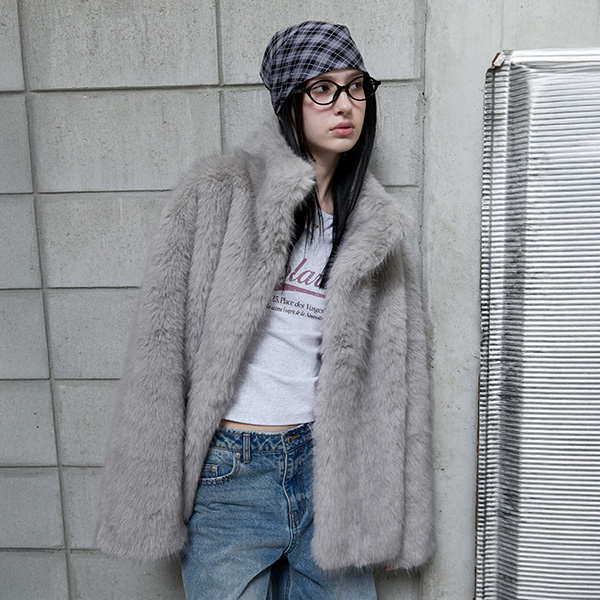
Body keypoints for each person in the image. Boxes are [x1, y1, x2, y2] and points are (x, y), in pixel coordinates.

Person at [96, 20, 434, 599]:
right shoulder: (218, 194)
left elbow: (400, 383)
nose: (345, 104)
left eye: (356, 86)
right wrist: (148, 499)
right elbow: (159, 347)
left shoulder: (377, 229)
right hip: (231, 474)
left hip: (329, 474)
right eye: (322, 89)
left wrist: (395, 516)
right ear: (288, 101)